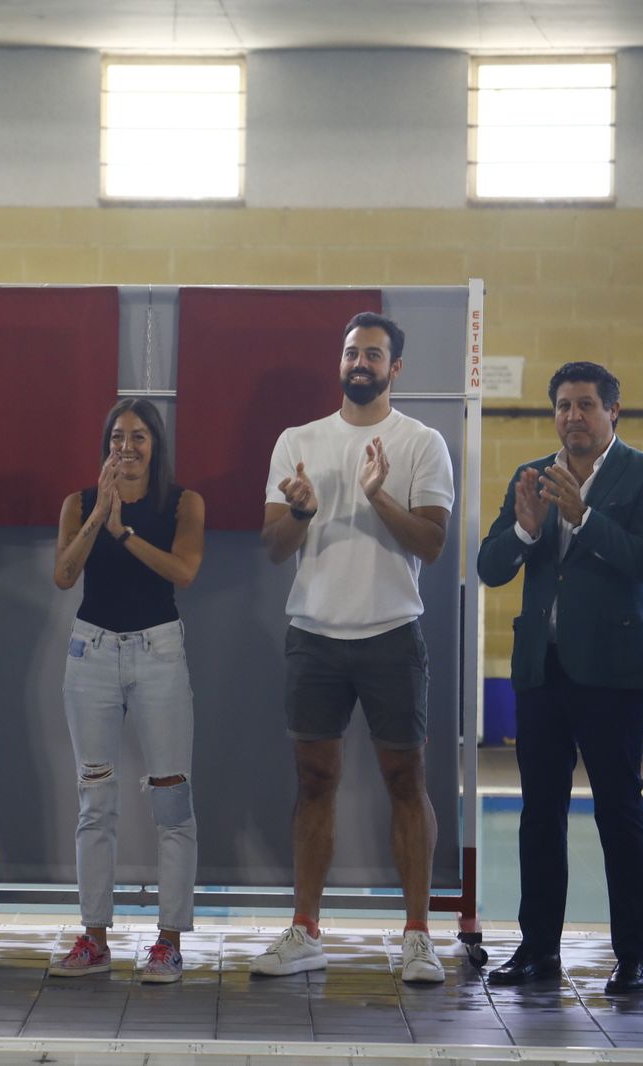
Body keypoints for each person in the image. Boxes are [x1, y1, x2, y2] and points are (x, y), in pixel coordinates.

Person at [252, 311, 454, 985]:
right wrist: (304, 513)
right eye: (350, 353)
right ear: (339, 363)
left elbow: (431, 542)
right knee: (314, 781)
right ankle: (305, 930)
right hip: (314, 636)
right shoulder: (297, 442)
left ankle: (418, 936)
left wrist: (376, 498)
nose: (359, 363)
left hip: (392, 635)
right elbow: (275, 546)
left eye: (373, 354)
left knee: (406, 782)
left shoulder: (422, 443)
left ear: (395, 368)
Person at [476, 361, 643, 994]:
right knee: (540, 813)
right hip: (542, 671)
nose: (573, 416)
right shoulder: (530, 477)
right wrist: (523, 528)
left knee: (619, 813)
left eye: (586, 405)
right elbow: (489, 567)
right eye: (563, 405)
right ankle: (539, 949)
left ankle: (634, 957)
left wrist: (585, 517)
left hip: (612, 676)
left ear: (612, 412)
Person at [48, 399, 207, 984]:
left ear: (155, 445)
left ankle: (168, 940)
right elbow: (65, 575)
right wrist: (100, 518)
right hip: (91, 651)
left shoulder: (183, 503)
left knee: (171, 799)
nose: (128, 447)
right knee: (96, 798)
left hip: (158, 653)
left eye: (139, 437)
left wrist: (126, 533)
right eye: (117, 437)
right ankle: (94, 937)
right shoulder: (79, 503)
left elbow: (184, 571)